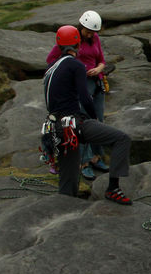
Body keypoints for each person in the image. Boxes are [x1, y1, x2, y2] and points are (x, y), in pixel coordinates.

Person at [44, 24, 132, 204]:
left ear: (59, 46)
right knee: (122, 139)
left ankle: (63, 208)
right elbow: (85, 98)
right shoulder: (75, 65)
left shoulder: (52, 67)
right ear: (78, 45)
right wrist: (93, 118)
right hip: (74, 125)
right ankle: (113, 189)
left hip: (55, 128)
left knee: (68, 183)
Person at [46, 10, 108, 180]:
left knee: (97, 121)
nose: (90, 34)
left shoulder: (95, 39)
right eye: (88, 31)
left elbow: (101, 60)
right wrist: (73, 71)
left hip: (96, 83)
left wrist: (99, 69)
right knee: (82, 123)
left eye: (93, 32)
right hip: (80, 86)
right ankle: (84, 161)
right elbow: (51, 61)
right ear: (81, 27)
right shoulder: (70, 40)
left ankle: (97, 157)